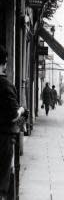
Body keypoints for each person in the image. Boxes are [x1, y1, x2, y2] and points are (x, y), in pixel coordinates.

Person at [0, 45, 26, 200]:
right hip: (3, 140)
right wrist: (22, 110)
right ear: (4, 63)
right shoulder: (6, 86)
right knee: (2, 183)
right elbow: (13, 115)